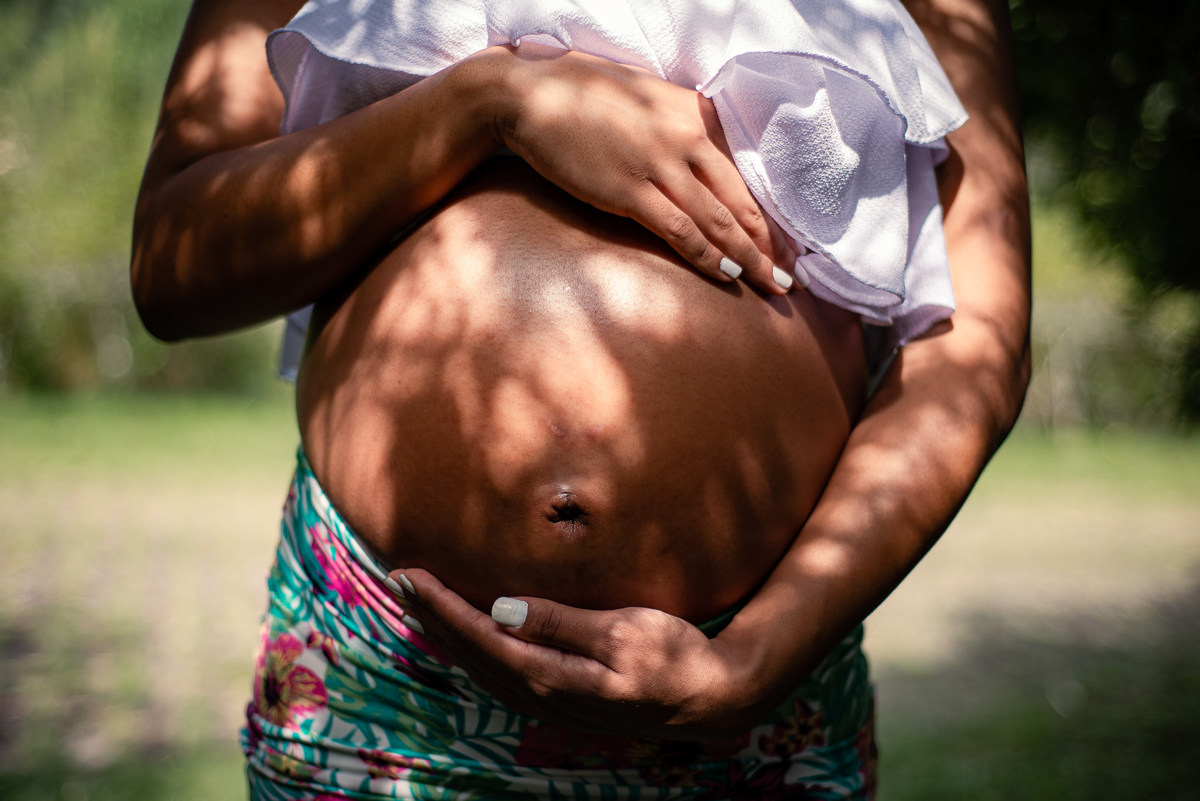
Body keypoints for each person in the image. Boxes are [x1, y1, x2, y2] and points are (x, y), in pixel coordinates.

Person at [131, 0, 1029, 797]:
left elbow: (976, 343)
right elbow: (174, 260)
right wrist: (488, 105)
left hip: (754, 697)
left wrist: (755, 660)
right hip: (390, 680)